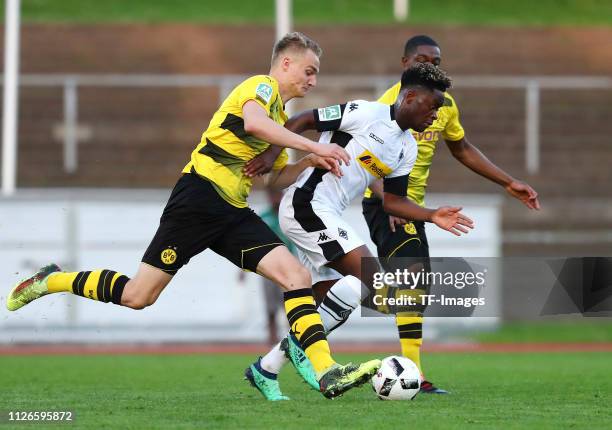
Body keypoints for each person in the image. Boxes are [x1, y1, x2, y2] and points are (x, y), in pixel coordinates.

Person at [5, 32, 382, 401]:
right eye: (310, 70)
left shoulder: (280, 116)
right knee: (138, 296)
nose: (314, 80)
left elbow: (272, 174)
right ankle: (51, 281)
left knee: (296, 276)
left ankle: (325, 369)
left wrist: (306, 162)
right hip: (199, 198)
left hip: (232, 211)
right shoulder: (261, 88)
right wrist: (313, 143)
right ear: (286, 63)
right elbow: (253, 123)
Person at [244, 62, 474, 400]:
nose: (436, 116)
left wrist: (431, 214)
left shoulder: (406, 147)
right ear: (410, 97)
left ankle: (268, 366)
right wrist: (273, 152)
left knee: (333, 298)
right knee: (372, 283)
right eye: (432, 106)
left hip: (327, 214)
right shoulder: (365, 113)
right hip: (306, 205)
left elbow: (393, 201)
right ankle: (304, 352)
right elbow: (304, 119)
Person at [361, 35, 541, 394]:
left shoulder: (444, 105)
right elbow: (366, 160)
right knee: (413, 279)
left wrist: (507, 182)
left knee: (416, 287)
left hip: (411, 207)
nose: (429, 67)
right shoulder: (386, 106)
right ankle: (413, 375)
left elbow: (461, 147)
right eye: (421, 60)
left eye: (436, 62)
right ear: (404, 63)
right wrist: (388, 200)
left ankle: (363, 297)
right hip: (387, 204)